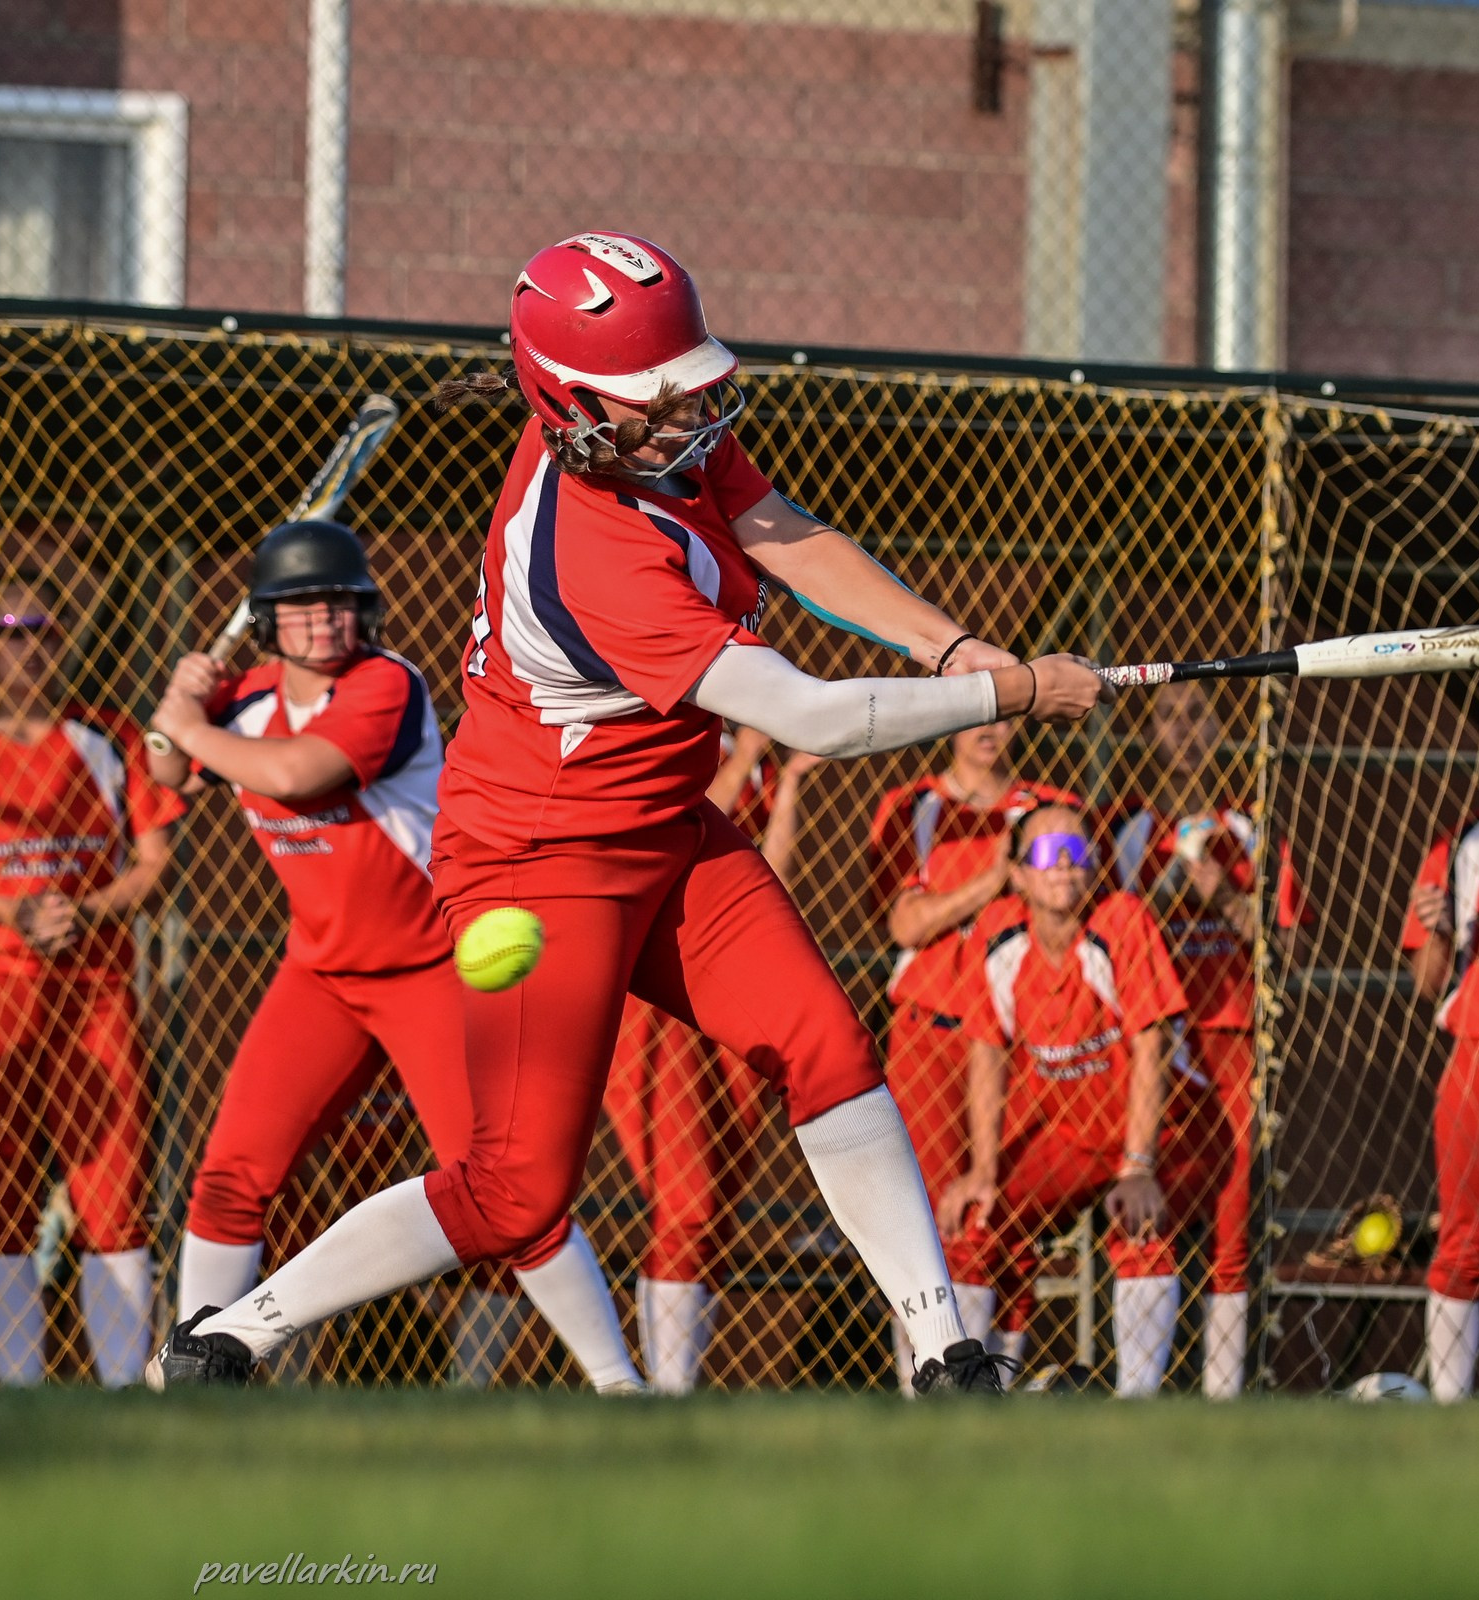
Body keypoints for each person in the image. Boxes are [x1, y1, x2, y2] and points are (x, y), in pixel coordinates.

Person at [153, 230, 1107, 1394]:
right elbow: (812, 718)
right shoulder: (591, 554)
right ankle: (232, 1336)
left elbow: (786, 531)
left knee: (825, 1045)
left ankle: (946, 1350)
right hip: (541, 861)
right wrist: (1008, 690)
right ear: (573, 407)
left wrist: (952, 643)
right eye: (659, 400)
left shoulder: (647, 442)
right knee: (514, 1189)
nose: (691, 417)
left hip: (665, 825)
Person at [149, 519, 642, 1393]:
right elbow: (167, 779)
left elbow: (301, 774)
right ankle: (187, 1370)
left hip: (431, 965)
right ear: (267, 618)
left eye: (342, 601)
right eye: (303, 604)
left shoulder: (388, 683)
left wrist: (187, 726)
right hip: (322, 974)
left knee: (504, 1186)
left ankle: (616, 1382)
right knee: (232, 1174)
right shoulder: (246, 697)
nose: (327, 617)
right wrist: (175, 719)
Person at [0, 574, 179, 1387]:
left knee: (111, 1191)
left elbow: (153, 864)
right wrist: (11, 914)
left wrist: (88, 908)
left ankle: (120, 1391)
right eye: (7, 629)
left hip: (93, 990)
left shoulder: (105, 738)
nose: (25, 645)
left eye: (40, 628)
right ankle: (17, 1392)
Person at [933, 806, 1224, 1397]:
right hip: (1068, 1134)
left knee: (1141, 1219)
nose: (1063, 863)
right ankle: (971, 1398)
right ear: (1017, 874)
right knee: (978, 1219)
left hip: (1161, 1130)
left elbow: (1151, 1045)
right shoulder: (1001, 935)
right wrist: (984, 1170)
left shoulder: (1121, 920)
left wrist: (1138, 1167)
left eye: (1076, 850)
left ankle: (1135, 1406)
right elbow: (987, 1053)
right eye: (1045, 853)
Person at [604, 730, 823, 1393]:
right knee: (686, 1202)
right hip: (655, 993)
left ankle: (681, 1384)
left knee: (718, 1205)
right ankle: (664, 1390)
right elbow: (676, 835)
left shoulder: (748, 756)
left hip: (726, 984)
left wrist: (790, 786)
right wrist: (749, 755)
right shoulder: (660, 731)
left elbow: (769, 879)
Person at [1102, 680, 1303, 1399]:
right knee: (1145, 1206)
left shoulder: (1250, 830)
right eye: (1167, 718)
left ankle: (1223, 1400)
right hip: (1156, 1048)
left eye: (1197, 718)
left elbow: (1281, 945)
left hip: (1232, 1042)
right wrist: (1163, 895)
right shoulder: (1128, 831)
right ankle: (1139, 1390)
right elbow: (1107, 941)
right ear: (1150, 734)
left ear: (1220, 733)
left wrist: (1219, 892)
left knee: (1231, 1225)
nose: (1183, 732)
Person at [869, 721, 1080, 1383]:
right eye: (977, 708)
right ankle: (924, 1384)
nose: (991, 727)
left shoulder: (1048, 808)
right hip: (929, 1035)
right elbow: (905, 922)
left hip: (1018, 1039)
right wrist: (993, 881)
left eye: (1004, 709)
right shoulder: (913, 806)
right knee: (925, 1223)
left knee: (1005, 1214)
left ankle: (996, 1384)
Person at [1402, 695, 1479, 1402]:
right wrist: (1438, 930)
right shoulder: (1461, 845)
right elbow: (1427, 981)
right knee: (1464, 1240)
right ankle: (1448, 1413)